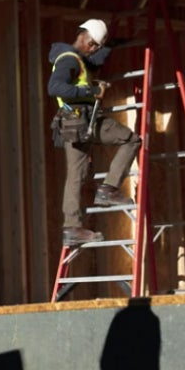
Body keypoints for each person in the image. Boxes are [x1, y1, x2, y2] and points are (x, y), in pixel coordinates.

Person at [49, 18, 139, 247]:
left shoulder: (75, 58)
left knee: (75, 175)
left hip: (71, 124)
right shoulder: (69, 61)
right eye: (94, 46)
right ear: (87, 41)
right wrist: (91, 90)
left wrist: (113, 44)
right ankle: (109, 189)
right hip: (83, 120)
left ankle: (72, 228)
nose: (94, 51)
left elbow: (93, 63)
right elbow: (55, 87)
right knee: (131, 139)